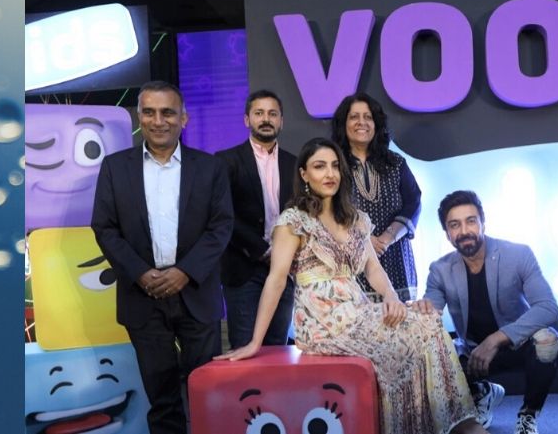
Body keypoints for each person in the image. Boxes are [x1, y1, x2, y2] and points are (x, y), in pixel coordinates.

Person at [216, 138, 487, 434]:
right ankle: (454, 425)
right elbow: (276, 280)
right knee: (417, 330)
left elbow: (373, 268)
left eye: (335, 166)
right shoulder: (292, 221)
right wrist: (255, 342)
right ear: (304, 174)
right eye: (320, 166)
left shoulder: (355, 219)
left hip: (357, 311)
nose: (330, 173)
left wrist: (391, 297)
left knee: (429, 320)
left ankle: (449, 421)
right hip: (321, 322)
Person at [91, 80, 233, 434]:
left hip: (196, 293)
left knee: (206, 393)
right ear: (139, 117)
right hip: (143, 296)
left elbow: (221, 226)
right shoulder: (115, 167)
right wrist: (140, 273)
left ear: (183, 118)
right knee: (162, 399)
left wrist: (185, 272)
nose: (159, 121)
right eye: (150, 112)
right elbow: (104, 228)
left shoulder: (210, 167)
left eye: (168, 112)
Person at [421, 190, 558, 434]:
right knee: (433, 356)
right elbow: (428, 316)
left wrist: (496, 339)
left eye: (471, 221)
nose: (464, 231)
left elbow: (548, 307)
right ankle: (481, 392)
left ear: (483, 223)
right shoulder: (439, 270)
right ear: (447, 233)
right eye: (454, 225)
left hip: (517, 345)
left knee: (548, 340)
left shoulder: (518, 254)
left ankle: (528, 416)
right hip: (473, 353)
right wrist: (417, 311)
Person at [216, 90, 297, 349]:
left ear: (281, 121)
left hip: (284, 269)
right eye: (259, 113)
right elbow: (223, 215)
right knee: (245, 346)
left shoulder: (295, 164)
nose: (266, 119)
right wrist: (264, 250)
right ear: (246, 119)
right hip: (243, 268)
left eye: (272, 114)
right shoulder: (226, 160)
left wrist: (283, 255)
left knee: (278, 348)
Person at [330, 92, 422, 301]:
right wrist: (363, 240)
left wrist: (387, 237)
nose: (361, 122)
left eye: (368, 117)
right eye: (354, 117)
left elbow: (413, 202)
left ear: (376, 124)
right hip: (352, 257)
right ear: (343, 124)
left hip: (395, 255)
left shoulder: (395, 163)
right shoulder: (334, 165)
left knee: (397, 315)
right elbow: (328, 209)